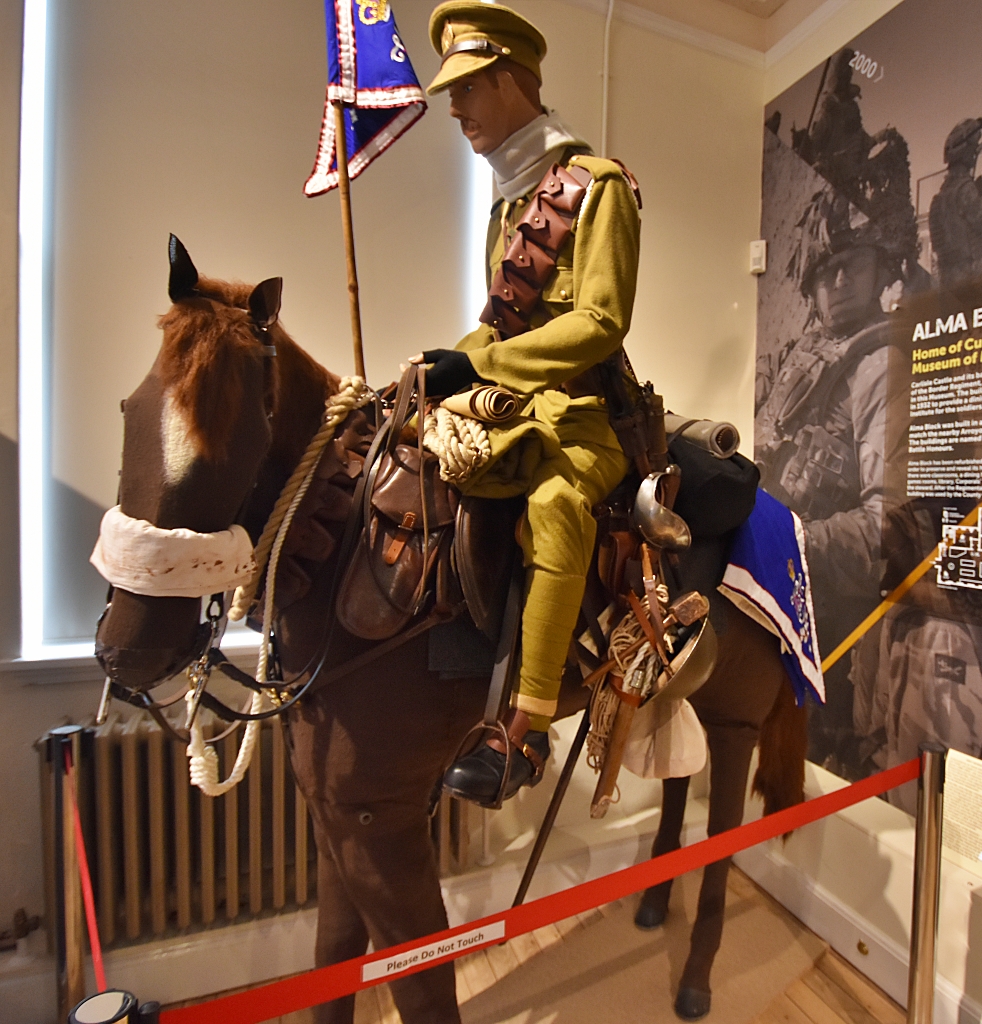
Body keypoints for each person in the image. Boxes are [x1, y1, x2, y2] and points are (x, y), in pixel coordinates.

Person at [412, 1, 641, 807]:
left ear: (510, 78)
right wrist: (450, 369)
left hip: (583, 421)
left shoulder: (599, 187)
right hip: (512, 414)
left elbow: (601, 321)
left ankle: (528, 730)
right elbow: (494, 328)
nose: (455, 108)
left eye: (467, 87)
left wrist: (479, 361)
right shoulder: (507, 209)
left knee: (553, 507)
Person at [756, 187, 910, 775]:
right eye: (827, 270)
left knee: (812, 766)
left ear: (881, 271)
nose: (840, 281)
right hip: (778, 599)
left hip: (833, 621)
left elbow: (886, 528)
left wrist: (789, 542)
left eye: (855, 265)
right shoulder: (808, 355)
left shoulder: (881, 367)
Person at [929, 117, 982, 287]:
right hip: (972, 276)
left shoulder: (940, 198)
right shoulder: (964, 188)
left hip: (948, 279)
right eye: (972, 148)